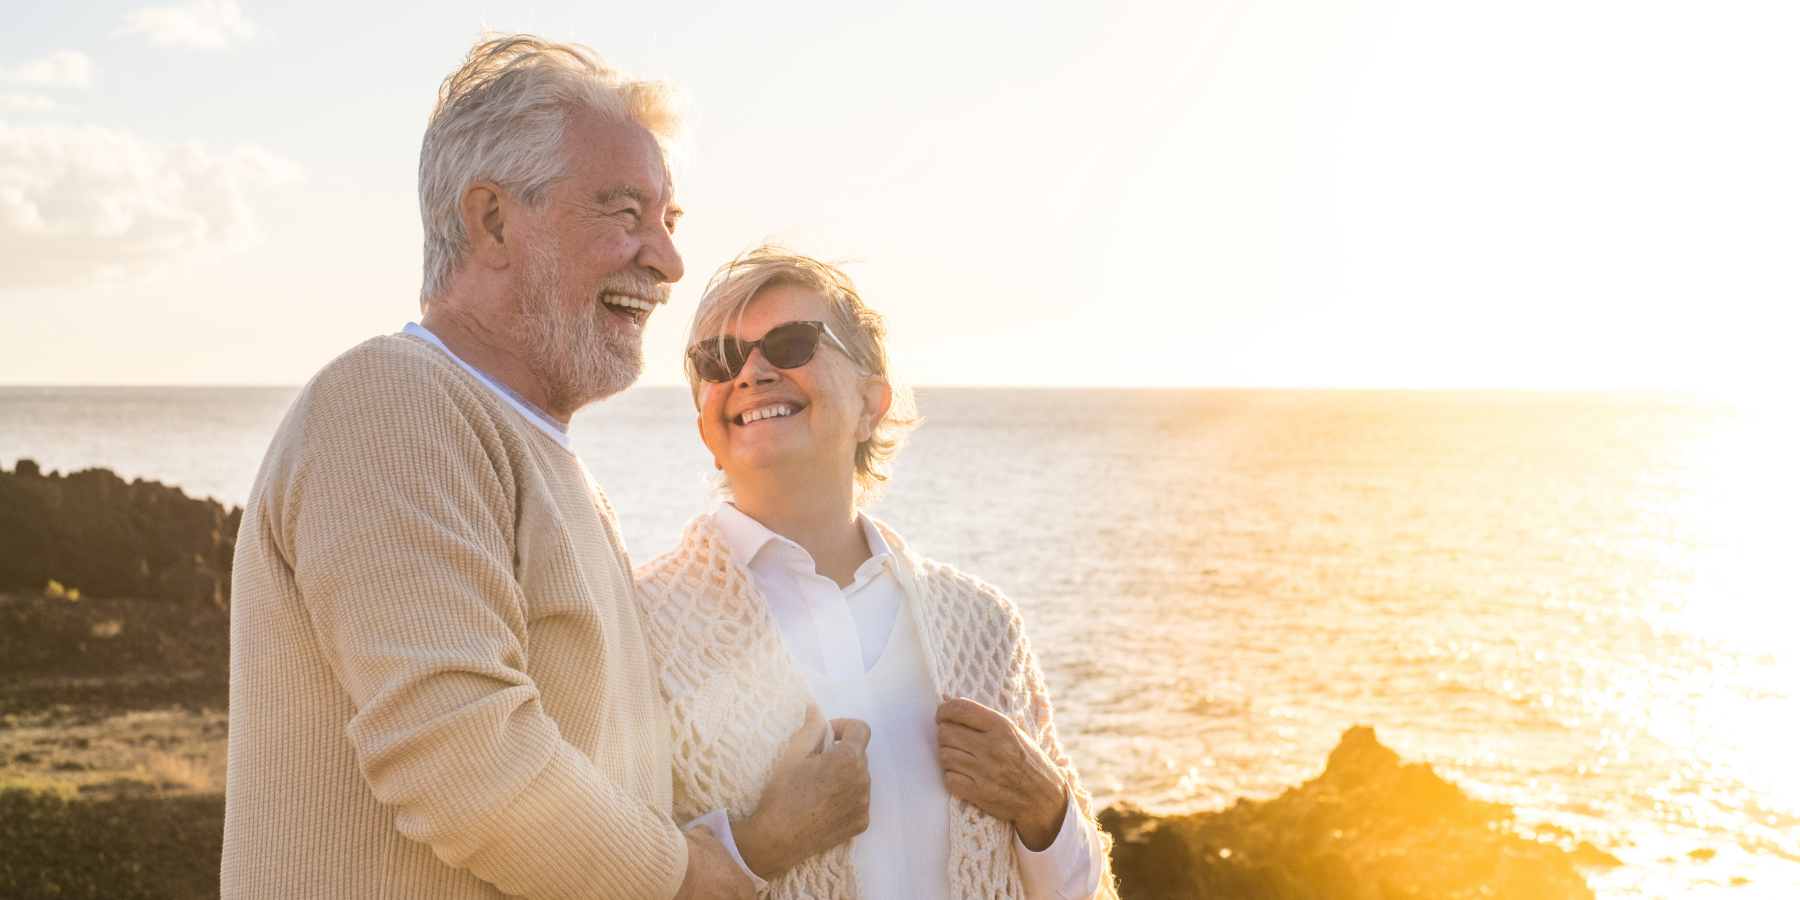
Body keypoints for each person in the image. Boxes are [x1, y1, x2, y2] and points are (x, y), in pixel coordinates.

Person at [223, 35, 802, 900]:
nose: (669, 262)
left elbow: (610, 788)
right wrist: (686, 880)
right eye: (624, 213)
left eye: (669, 222)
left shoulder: (543, 457)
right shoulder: (392, 402)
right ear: (492, 220)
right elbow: (462, 757)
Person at [634, 247, 1119, 900]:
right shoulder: (638, 624)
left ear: (872, 403)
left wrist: (1048, 810)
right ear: (705, 424)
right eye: (716, 361)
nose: (749, 371)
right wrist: (757, 843)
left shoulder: (982, 625)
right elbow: (595, 873)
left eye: (791, 342)